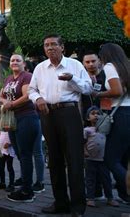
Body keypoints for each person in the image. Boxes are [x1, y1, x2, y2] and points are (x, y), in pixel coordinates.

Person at [28, 34, 92, 215]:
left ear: (62, 47)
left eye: (54, 44)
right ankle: (60, 202)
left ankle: (78, 206)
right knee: (54, 160)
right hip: (47, 113)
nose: (50, 48)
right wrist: (38, 98)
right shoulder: (40, 68)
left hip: (69, 113)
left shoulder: (75, 65)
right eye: (46, 45)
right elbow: (32, 90)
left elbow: (88, 89)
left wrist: (72, 78)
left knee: (74, 159)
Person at [0, 54, 44, 203]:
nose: (14, 62)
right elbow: (0, 96)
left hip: (27, 117)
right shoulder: (8, 79)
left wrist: (10, 104)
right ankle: (26, 185)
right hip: (13, 120)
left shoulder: (26, 76)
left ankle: (27, 191)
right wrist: (5, 101)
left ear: (23, 63)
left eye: (18, 60)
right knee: (19, 154)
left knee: (25, 154)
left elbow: (27, 95)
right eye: (12, 60)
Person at [94, 43, 130, 204]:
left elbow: (117, 91)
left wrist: (99, 93)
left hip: (121, 114)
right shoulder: (126, 66)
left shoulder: (110, 66)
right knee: (124, 159)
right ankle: (125, 198)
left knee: (111, 159)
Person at [83, 106, 119, 208]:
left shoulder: (105, 129)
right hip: (90, 159)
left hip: (103, 159)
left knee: (106, 179)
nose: (96, 115)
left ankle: (110, 198)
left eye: (98, 113)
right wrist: (84, 151)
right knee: (90, 179)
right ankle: (90, 198)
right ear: (88, 118)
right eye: (93, 113)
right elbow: (83, 142)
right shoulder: (87, 130)